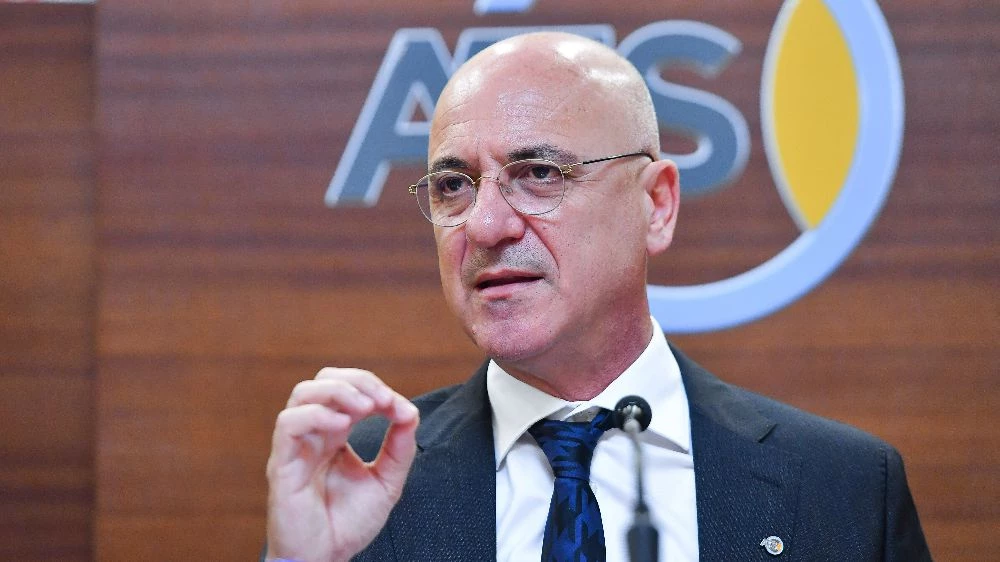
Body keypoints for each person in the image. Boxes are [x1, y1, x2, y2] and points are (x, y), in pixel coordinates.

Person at [264, 32, 931, 562]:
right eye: (453, 186)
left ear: (656, 205)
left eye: (538, 173)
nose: (485, 226)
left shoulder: (842, 489)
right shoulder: (359, 477)